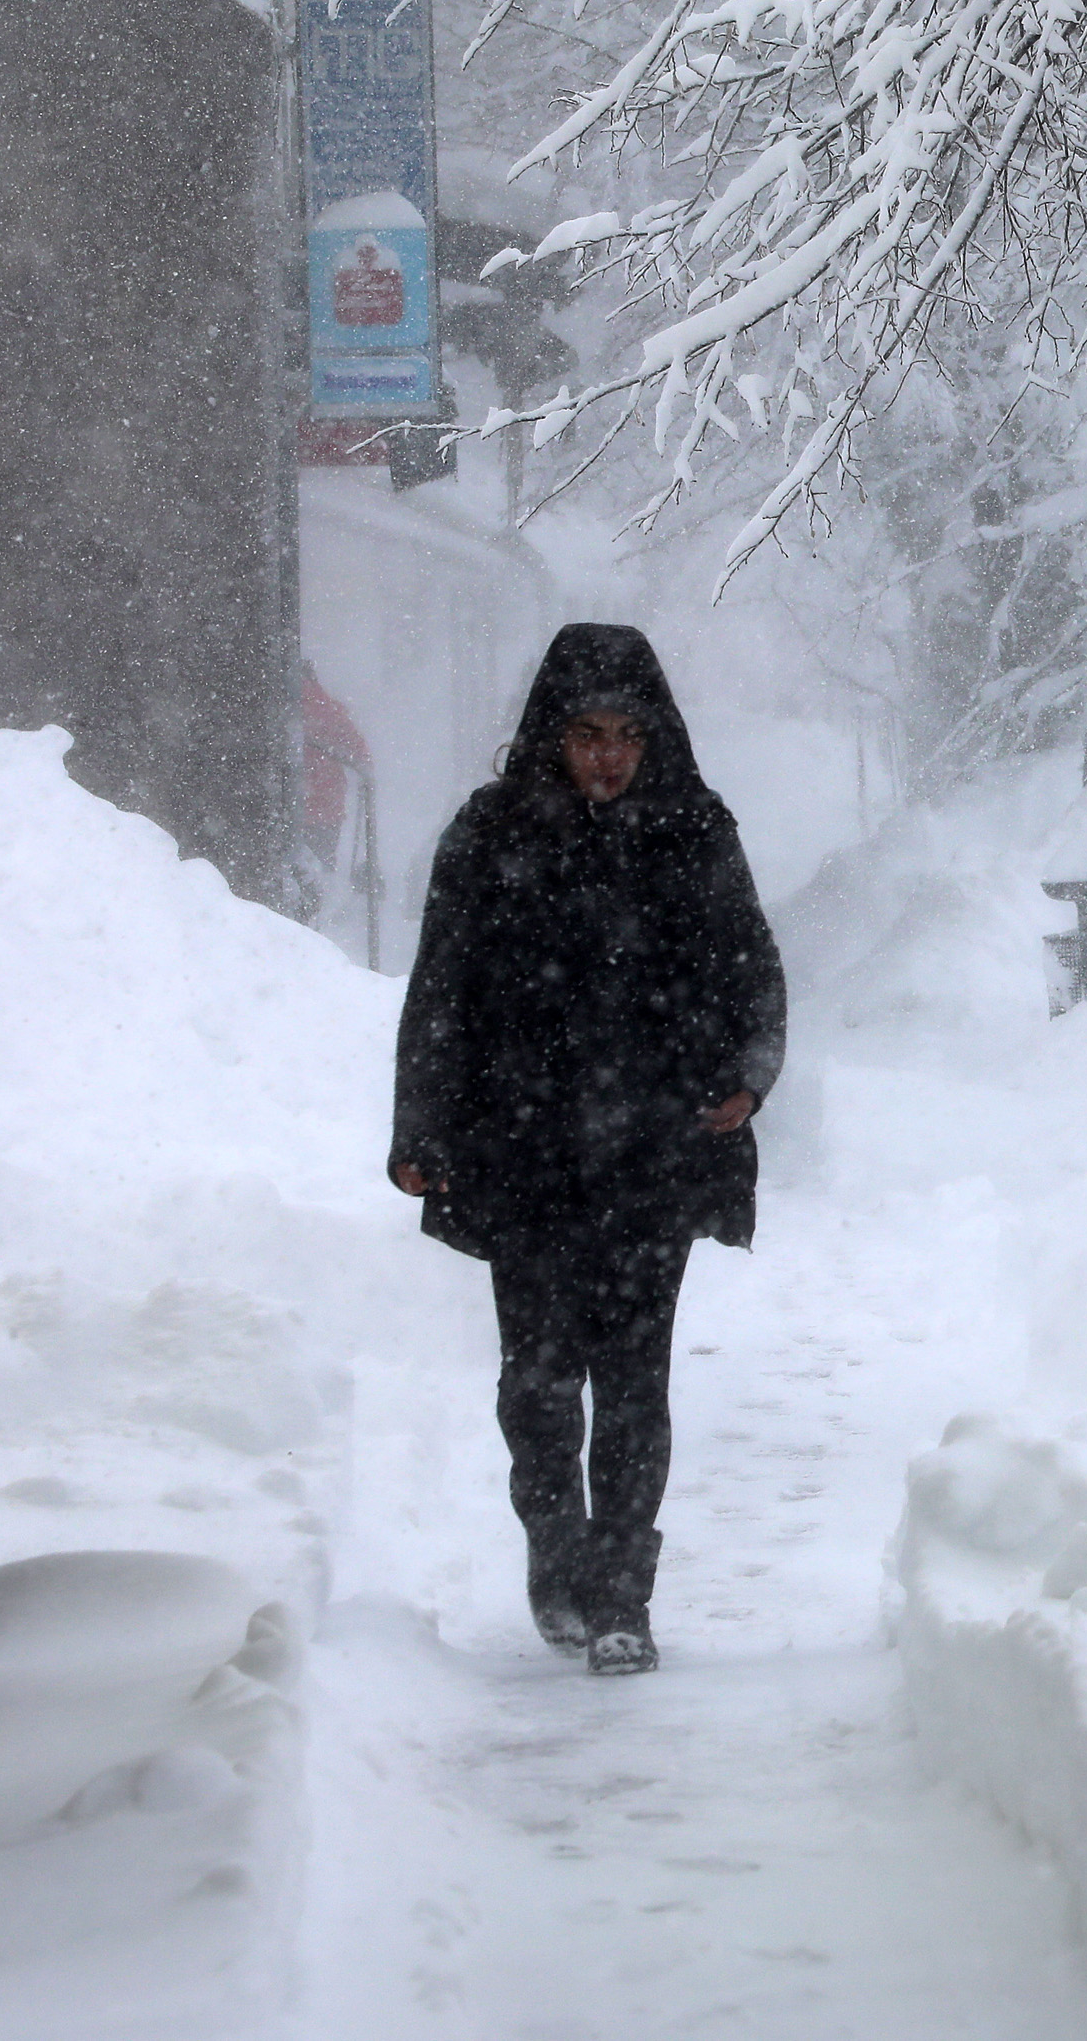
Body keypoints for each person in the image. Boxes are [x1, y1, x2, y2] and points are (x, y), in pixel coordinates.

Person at [388, 625, 784, 1675]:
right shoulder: (489, 835)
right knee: (538, 1384)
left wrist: (749, 1074)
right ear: (549, 737)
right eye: (586, 734)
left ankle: (623, 1594)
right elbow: (442, 991)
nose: (607, 756)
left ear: (654, 738)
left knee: (634, 1383)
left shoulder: (694, 832)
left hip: (656, 1151)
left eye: (626, 735)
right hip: (524, 1154)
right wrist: (420, 1128)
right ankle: (555, 1545)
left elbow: (752, 964)